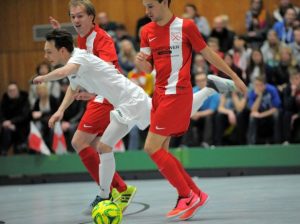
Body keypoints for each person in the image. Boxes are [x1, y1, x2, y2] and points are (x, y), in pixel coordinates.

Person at [34, 29, 238, 220]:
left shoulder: (77, 58)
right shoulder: (74, 63)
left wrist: (44, 77)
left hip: (130, 102)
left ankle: (105, 196)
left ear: (62, 50)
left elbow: (63, 73)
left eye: (48, 51)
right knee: (177, 114)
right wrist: (60, 111)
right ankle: (210, 88)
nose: (46, 56)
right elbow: (74, 85)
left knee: (104, 147)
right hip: (131, 100)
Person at [136, 0, 247, 221]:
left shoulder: (186, 26)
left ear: (164, 2)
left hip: (177, 94)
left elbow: (208, 54)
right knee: (161, 151)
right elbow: (149, 68)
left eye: (150, 6)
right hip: (159, 95)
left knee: (151, 147)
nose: (147, 12)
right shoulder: (146, 30)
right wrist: (140, 63)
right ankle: (195, 194)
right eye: (144, 7)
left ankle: (186, 195)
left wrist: (233, 76)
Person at [48, 0, 136, 213]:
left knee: (79, 141)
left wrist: (94, 91)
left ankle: (108, 192)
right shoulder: (82, 38)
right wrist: (60, 111)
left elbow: (107, 71)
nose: (76, 20)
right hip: (101, 96)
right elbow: (79, 65)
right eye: (73, 17)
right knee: (96, 146)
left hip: (108, 97)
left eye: (80, 16)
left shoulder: (102, 38)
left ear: (91, 18)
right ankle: (120, 189)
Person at [0, 82, 31, 156]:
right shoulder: (5, 100)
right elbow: (1, 113)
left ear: (18, 90)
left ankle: (21, 147)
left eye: (14, 90)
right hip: (7, 126)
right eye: (10, 90)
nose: (12, 92)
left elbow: (25, 115)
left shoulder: (24, 99)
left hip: (22, 126)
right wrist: (5, 122)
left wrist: (11, 122)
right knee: (6, 131)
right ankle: (3, 151)